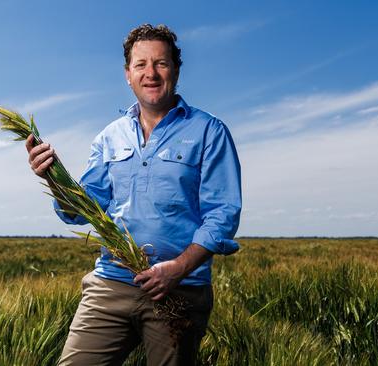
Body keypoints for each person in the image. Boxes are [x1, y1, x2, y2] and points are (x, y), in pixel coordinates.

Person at [25, 24, 241, 366]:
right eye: (140, 65)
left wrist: (178, 269)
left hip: (179, 290)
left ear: (176, 70)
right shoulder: (109, 137)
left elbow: (222, 214)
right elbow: (81, 210)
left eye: (161, 63)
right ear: (128, 74)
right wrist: (53, 176)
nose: (150, 73)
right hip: (111, 282)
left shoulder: (209, 131)